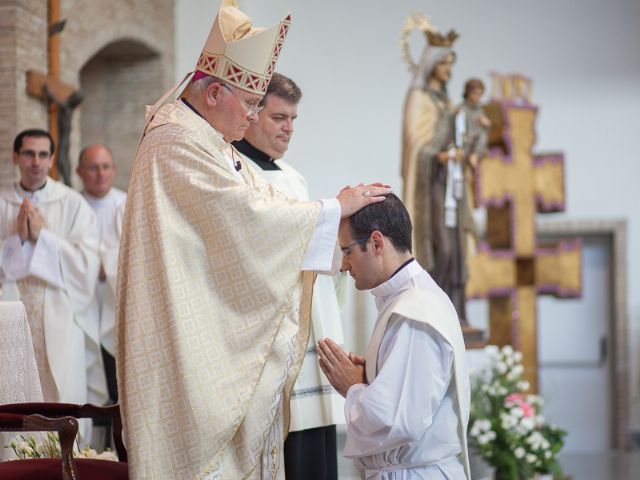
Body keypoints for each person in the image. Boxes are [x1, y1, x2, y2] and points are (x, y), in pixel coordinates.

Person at [116, 3, 390, 479]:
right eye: (248, 103)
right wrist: (331, 210)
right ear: (216, 92)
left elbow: (262, 203)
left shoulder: (207, 140)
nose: (252, 115)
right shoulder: (176, 142)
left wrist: (328, 215)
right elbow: (246, 219)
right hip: (185, 341)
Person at [233, 72, 344, 480]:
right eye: (280, 117)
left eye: (294, 119)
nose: (289, 129)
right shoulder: (236, 171)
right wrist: (331, 211)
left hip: (310, 327)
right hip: (273, 337)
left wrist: (342, 230)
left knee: (316, 449)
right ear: (251, 113)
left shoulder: (292, 176)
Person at [317, 193, 471, 479]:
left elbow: (399, 421)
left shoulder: (415, 310)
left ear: (376, 243)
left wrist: (352, 387)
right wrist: (371, 379)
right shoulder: (407, 300)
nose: (345, 265)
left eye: (347, 251)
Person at [0, 129, 101, 418]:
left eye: (43, 154)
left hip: (60, 318)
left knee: (60, 392)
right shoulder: (2, 201)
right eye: (29, 153)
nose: (36, 161)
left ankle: (62, 460)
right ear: (15, 157)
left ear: (52, 159)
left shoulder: (71, 203)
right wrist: (16, 240)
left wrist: (44, 237)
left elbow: (87, 266)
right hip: (10, 315)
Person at [401, 28, 475, 326]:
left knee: (456, 249)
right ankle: (436, 308)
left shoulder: (447, 102)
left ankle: (457, 312)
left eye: (450, 64)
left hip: (451, 186)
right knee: (440, 247)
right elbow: (415, 143)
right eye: (444, 63)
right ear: (432, 64)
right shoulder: (419, 98)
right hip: (429, 186)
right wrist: (439, 156)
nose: (448, 70)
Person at [76, 144, 126, 405]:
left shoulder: (127, 204)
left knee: (117, 380)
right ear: (79, 172)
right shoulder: (71, 206)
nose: (100, 173)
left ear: (114, 170)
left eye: (105, 167)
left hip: (115, 303)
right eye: (93, 167)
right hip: (80, 301)